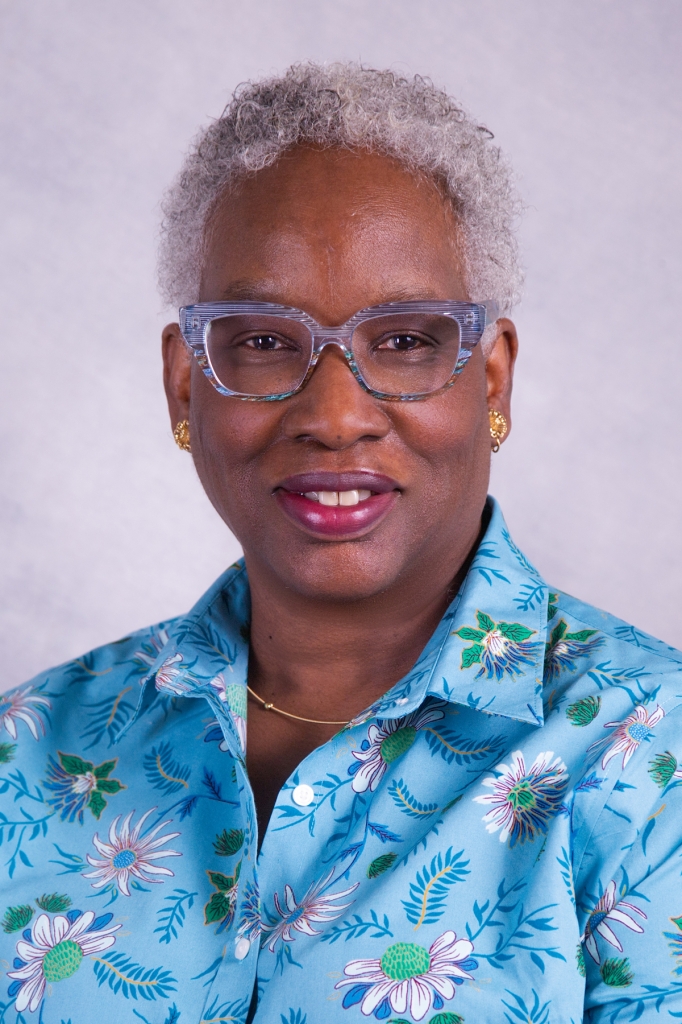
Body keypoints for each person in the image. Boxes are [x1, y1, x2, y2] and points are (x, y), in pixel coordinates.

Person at [1, 62, 680, 1024]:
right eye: (262, 340)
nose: (333, 415)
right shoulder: (26, 754)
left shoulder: (649, 761)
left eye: (404, 340)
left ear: (492, 380)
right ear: (184, 385)